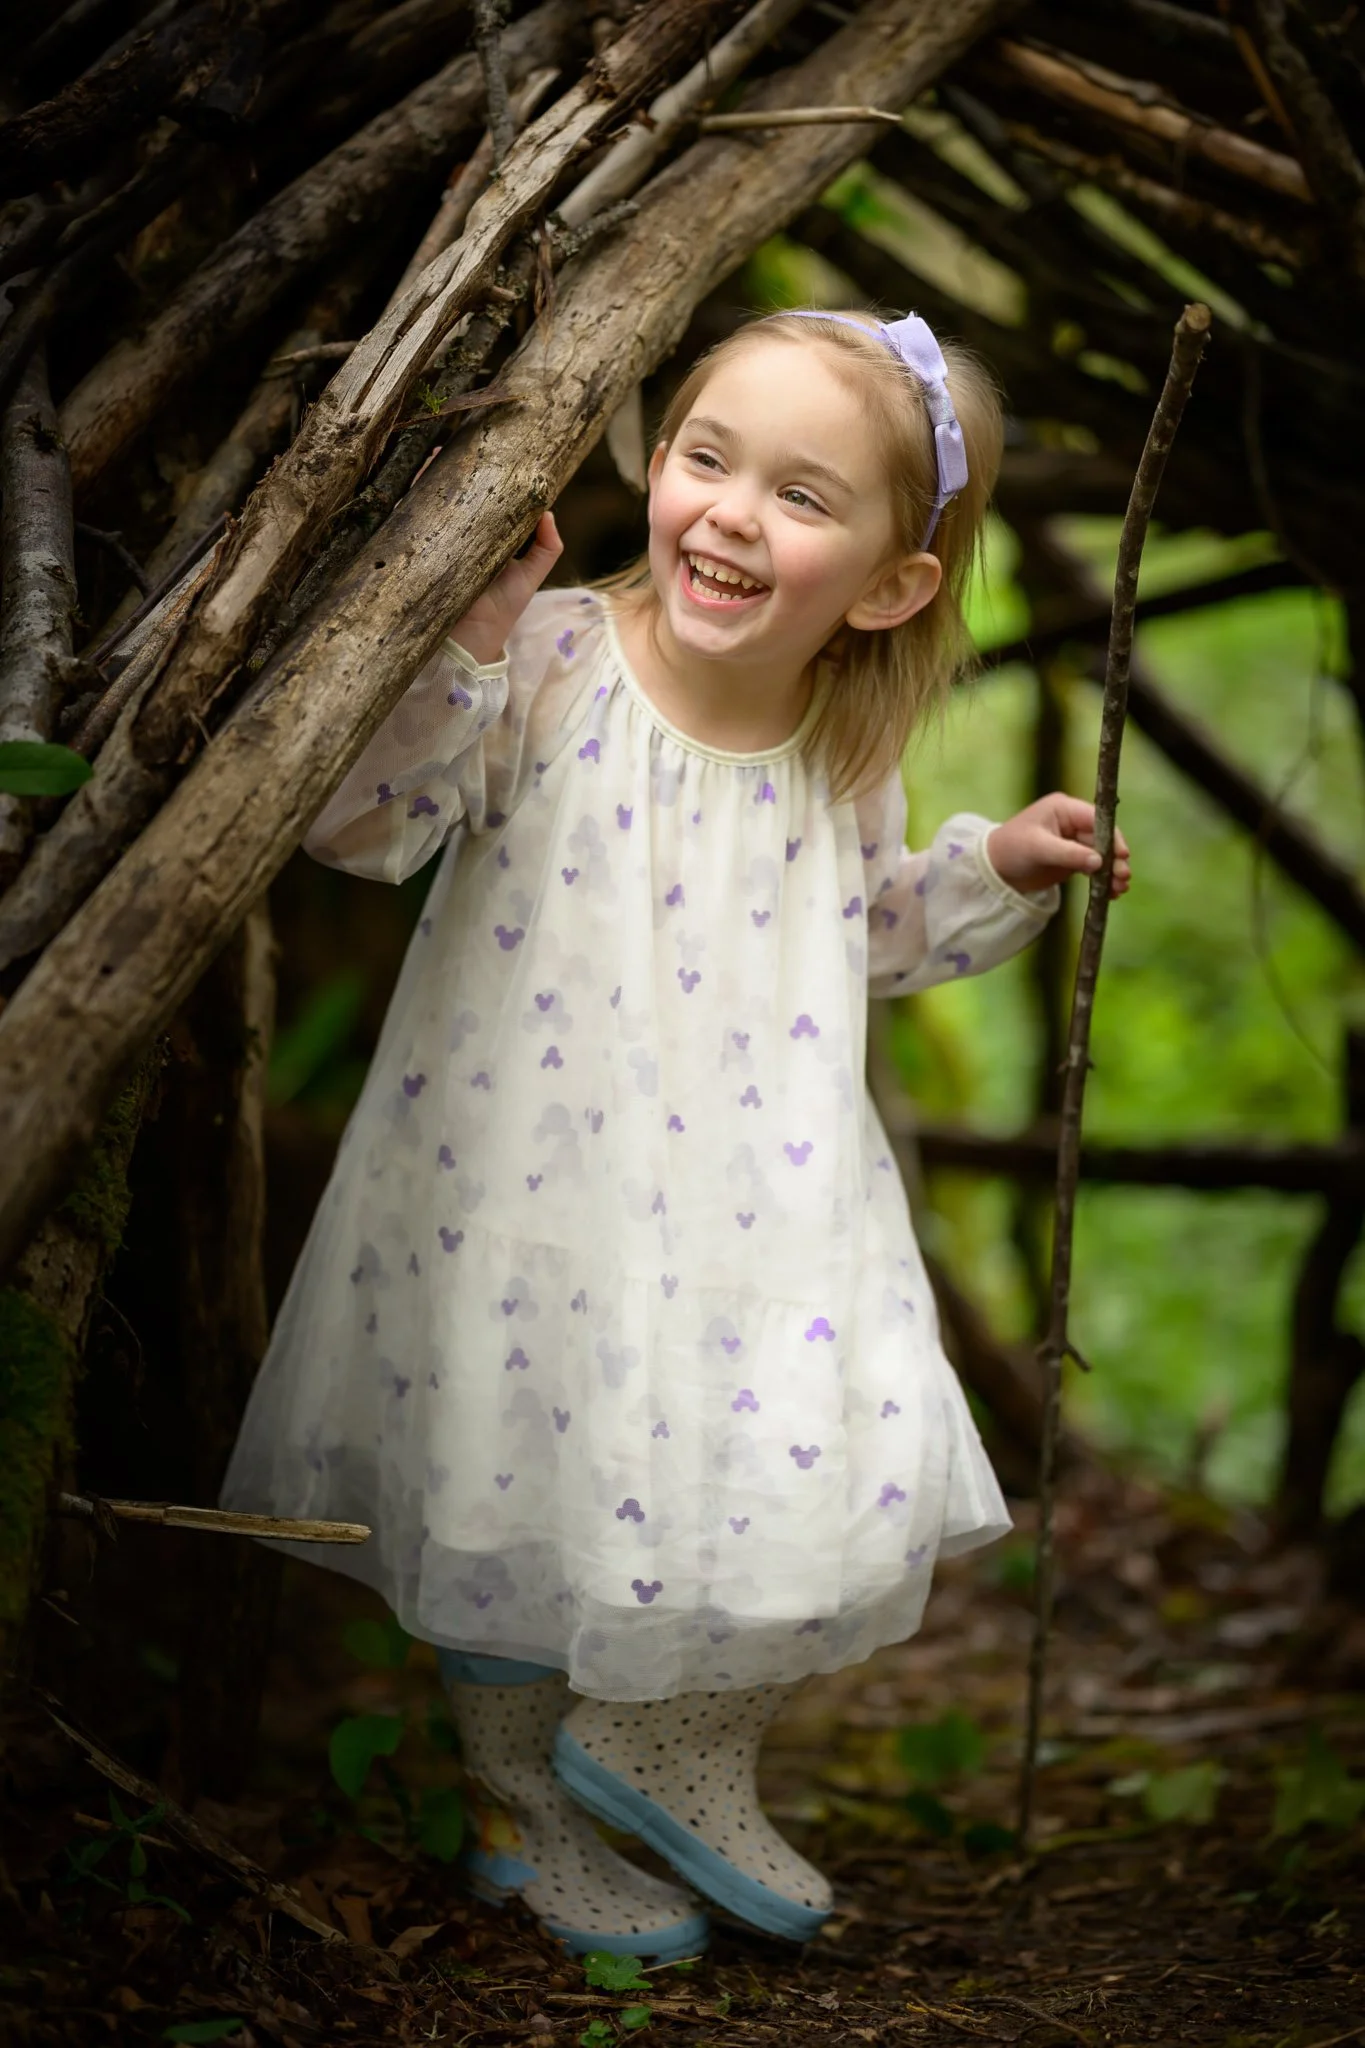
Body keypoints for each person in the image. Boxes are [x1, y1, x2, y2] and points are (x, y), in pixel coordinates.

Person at [222, 307, 1131, 1959]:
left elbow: (861, 934)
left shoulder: (842, 731)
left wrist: (990, 870)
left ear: (887, 583)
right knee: (514, 1468)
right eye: (707, 458)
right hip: (524, 1183)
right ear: (657, 458)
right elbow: (365, 829)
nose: (727, 513)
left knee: (831, 1441)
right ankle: (525, 1810)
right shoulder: (558, 656)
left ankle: (670, 1739)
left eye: (800, 495)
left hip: (754, 1200)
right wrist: (471, 641)